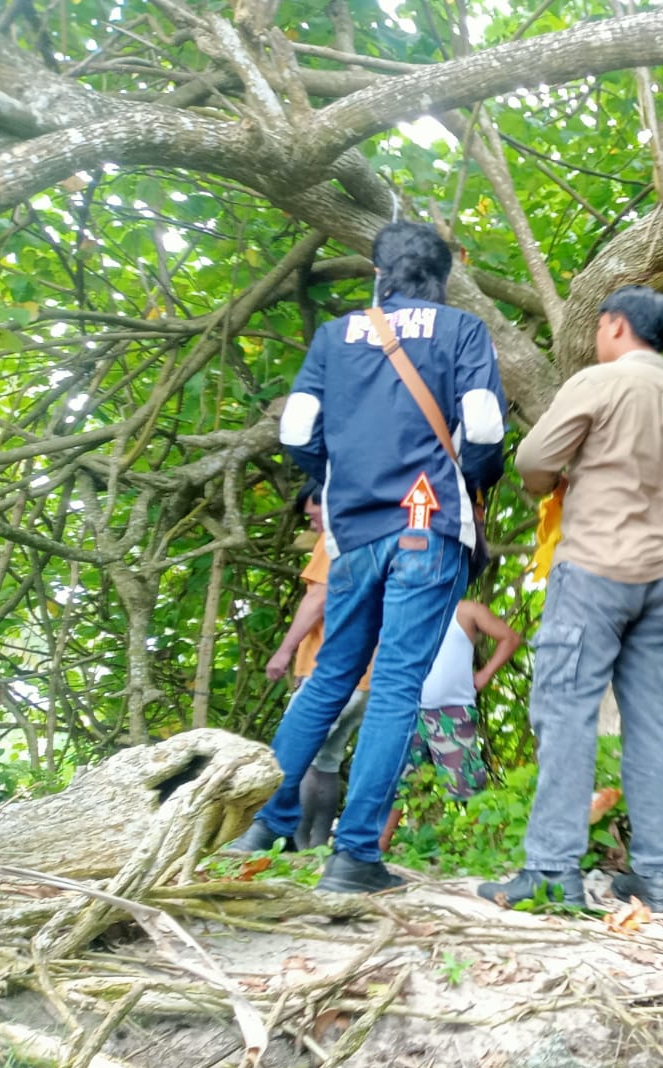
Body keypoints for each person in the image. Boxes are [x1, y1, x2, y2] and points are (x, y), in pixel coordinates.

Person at [227, 222, 506, 893]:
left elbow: (296, 430)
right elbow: (487, 427)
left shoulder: (334, 337)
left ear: (379, 276)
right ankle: (354, 856)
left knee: (328, 676)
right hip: (426, 522)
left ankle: (260, 823)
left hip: (352, 533)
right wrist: (470, 477)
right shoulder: (461, 329)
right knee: (397, 686)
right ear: (442, 278)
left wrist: (330, 483)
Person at [480, 285, 663, 912]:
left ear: (614, 326)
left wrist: (555, 481)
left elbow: (533, 459)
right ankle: (656, 876)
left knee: (566, 713)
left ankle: (553, 871)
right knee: (650, 727)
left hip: (597, 570)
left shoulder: (602, 381)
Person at [266, 479, 373, 851]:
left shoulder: (336, 538)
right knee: (326, 762)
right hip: (365, 678)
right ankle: (314, 847)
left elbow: (317, 600)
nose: (313, 525)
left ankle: (282, 840)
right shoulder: (370, 539)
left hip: (330, 673)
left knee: (291, 755)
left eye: (313, 516)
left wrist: (283, 652)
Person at [379, 599, 521, 851]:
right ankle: (377, 848)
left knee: (467, 783)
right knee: (397, 782)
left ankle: (483, 850)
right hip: (409, 708)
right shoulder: (406, 606)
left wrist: (485, 674)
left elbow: (510, 638)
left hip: (453, 711)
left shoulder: (466, 610)